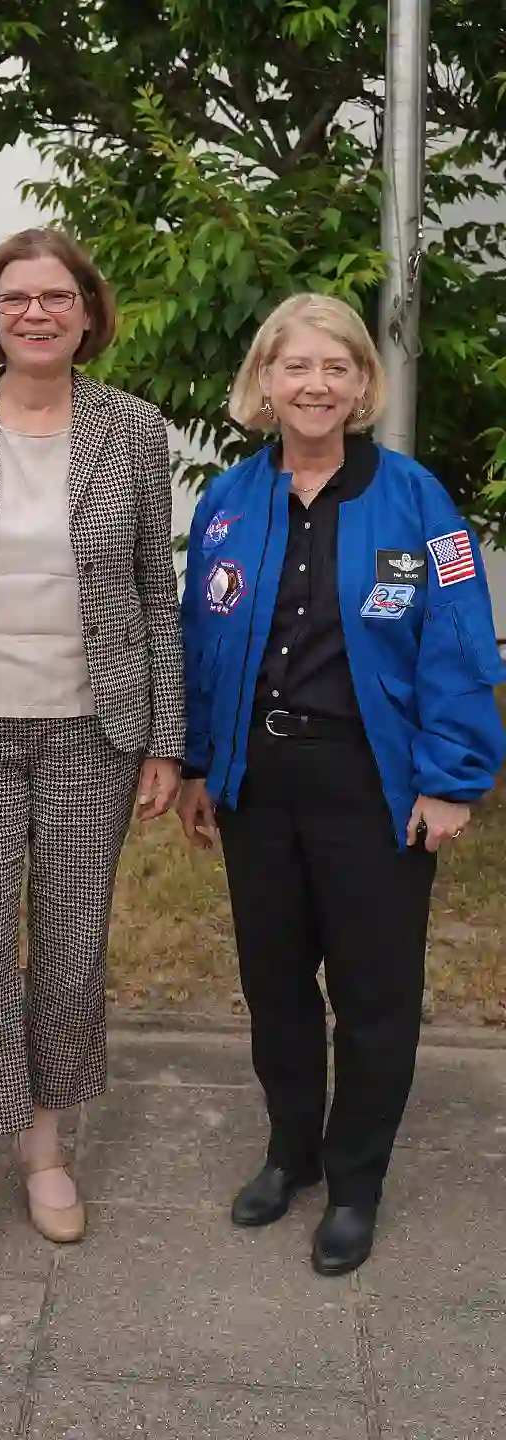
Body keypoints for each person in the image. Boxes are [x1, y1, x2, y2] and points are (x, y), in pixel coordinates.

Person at [0, 227, 183, 1283]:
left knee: (67, 951)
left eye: (57, 297)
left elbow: (157, 595)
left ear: (88, 313)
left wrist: (166, 742)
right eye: (17, 299)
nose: (37, 314)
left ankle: (47, 1152)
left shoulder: (135, 432)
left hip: (93, 733)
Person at [177, 293, 504, 1276]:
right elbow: (201, 646)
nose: (315, 384)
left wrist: (451, 781)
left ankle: (355, 1182)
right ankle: (293, 1152)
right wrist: (198, 761)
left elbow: (457, 645)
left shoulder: (415, 502)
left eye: (336, 367)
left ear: (363, 384)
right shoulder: (228, 502)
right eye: (296, 367)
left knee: (373, 997)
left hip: (373, 783)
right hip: (257, 783)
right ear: (264, 385)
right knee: (274, 984)